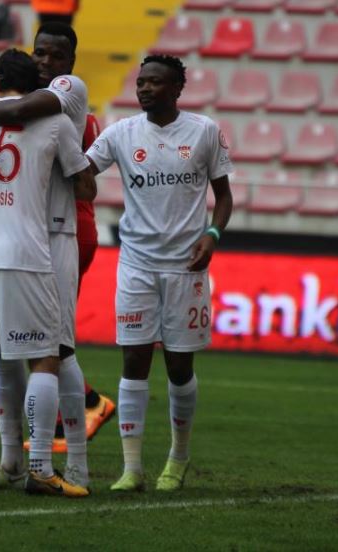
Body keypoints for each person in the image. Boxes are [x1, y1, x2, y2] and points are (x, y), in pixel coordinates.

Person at [0, 22, 114, 491]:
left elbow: (18, 108)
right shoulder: (11, 101)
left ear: (71, 62)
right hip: (17, 234)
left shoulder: (67, 91)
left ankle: (77, 466)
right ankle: (12, 461)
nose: (46, 62)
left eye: (56, 55)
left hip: (57, 234)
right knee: (6, 353)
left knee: (58, 349)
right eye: (40, 54)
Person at [85, 54, 233, 492]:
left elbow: (223, 197)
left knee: (179, 365)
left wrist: (212, 234)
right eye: (141, 82)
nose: (145, 88)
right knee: (133, 360)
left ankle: (178, 458)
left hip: (186, 267)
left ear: (177, 88)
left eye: (154, 82)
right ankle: (131, 469)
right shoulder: (121, 133)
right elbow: (80, 171)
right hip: (136, 264)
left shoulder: (204, 131)